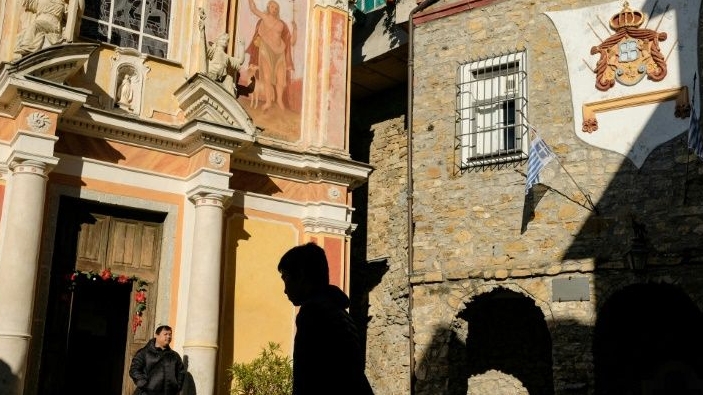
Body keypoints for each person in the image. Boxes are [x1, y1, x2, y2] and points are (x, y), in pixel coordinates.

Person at [278, 242, 374, 395]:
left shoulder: (313, 313)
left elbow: (307, 379)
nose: (285, 290)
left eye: (286, 278)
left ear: (301, 276)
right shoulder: (338, 311)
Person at [246, 0, 297, 111]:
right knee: (267, 78)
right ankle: (268, 102)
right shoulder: (264, 17)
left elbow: (291, 41)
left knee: (280, 79)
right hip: (266, 50)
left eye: (276, 8)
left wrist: (295, 29)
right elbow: (253, 9)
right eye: (272, 7)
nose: (274, 9)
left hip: (279, 53)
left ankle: (279, 100)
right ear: (268, 7)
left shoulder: (281, 24)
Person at [129, 325, 185, 395]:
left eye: (170, 334)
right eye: (165, 334)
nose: (168, 337)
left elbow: (181, 372)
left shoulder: (175, 356)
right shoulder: (144, 353)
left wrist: (177, 387)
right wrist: (146, 385)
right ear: (156, 335)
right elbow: (134, 370)